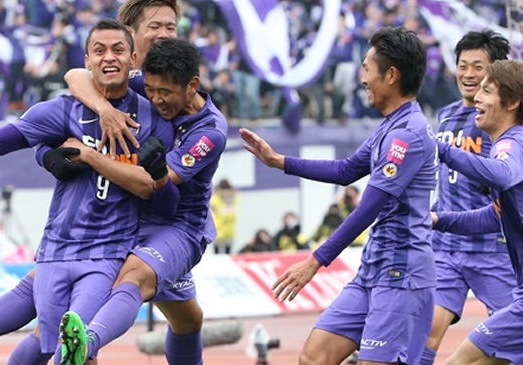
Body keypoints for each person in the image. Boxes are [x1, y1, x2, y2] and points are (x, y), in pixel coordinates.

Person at [0, 19, 175, 365]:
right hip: (56, 250)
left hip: (108, 255)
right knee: (49, 344)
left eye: (118, 50)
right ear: (87, 61)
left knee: (71, 350)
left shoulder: (154, 118)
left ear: (133, 59)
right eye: (99, 50)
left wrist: (158, 175)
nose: (109, 58)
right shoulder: (62, 110)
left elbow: (166, 204)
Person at [240, 26, 437, 365]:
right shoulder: (390, 127)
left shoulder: (406, 135)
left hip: (401, 274)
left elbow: (369, 207)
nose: (362, 78)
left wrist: (316, 261)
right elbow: (346, 170)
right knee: (314, 358)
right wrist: (279, 161)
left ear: (391, 75)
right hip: (374, 269)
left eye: (366, 68)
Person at [55, 37, 226, 365]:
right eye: (150, 89)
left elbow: (152, 184)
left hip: (177, 227)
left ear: (192, 85)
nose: (156, 99)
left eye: (165, 93)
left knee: (132, 279)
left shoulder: (209, 133)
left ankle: (85, 346)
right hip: (129, 217)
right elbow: (76, 75)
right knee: (188, 320)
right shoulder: (148, 79)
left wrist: (91, 157)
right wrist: (105, 110)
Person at [420, 30, 515, 365]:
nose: (469, 74)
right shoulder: (444, 116)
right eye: (463, 65)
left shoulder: (504, 124)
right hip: (445, 246)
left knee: (509, 341)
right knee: (426, 329)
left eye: (479, 67)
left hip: (494, 248)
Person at [210, 178, 239, 254]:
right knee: (223, 255)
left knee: (221, 255)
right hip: (225, 232)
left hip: (222, 232)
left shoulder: (218, 198)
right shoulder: (233, 198)